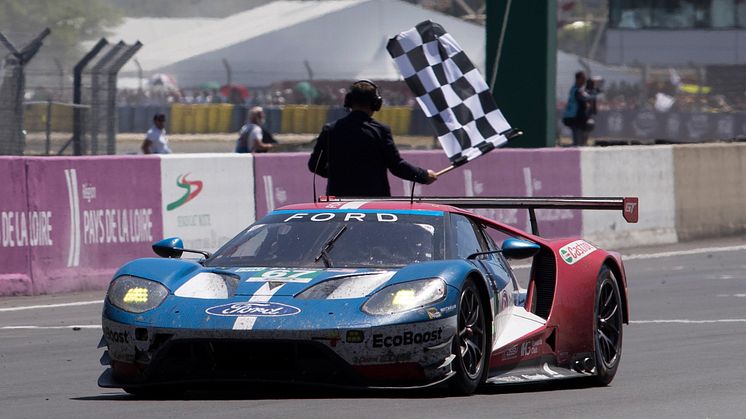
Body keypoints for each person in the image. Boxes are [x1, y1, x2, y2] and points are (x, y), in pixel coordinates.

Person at [307, 80, 438, 197]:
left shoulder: (330, 130)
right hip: (373, 202)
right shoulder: (380, 131)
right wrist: (423, 175)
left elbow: (314, 166)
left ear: (348, 101)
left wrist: (340, 174)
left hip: (338, 202)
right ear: (376, 103)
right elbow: (397, 166)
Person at [562, 71, 600, 146]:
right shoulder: (577, 90)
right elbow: (584, 97)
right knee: (577, 141)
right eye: (583, 78)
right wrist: (594, 94)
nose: (584, 81)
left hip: (577, 118)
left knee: (582, 136)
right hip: (573, 117)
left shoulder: (579, 89)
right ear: (578, 79)